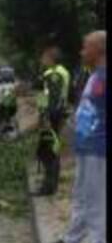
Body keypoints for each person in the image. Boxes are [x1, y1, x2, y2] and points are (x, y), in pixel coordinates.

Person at [44, 30, 106, 243]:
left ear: (98, 50)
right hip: (85, 144)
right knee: (80, 195)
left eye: (85, 47)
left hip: (99, 146)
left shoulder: (104, 76)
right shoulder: (93, 75)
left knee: (96, 197)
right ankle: (71, 241)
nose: (81, 52)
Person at [33, 45, 72, 196]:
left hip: (52, 116)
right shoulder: (60, 72)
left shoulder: (54, 74)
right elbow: (44, 93)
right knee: (48, 150)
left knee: (47, 151)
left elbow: (52, 98)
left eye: (44, 57)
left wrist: (46, 117)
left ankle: (48, 187)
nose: (41, 59)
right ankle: (49, 184)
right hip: (55, 115)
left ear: (51, 58)